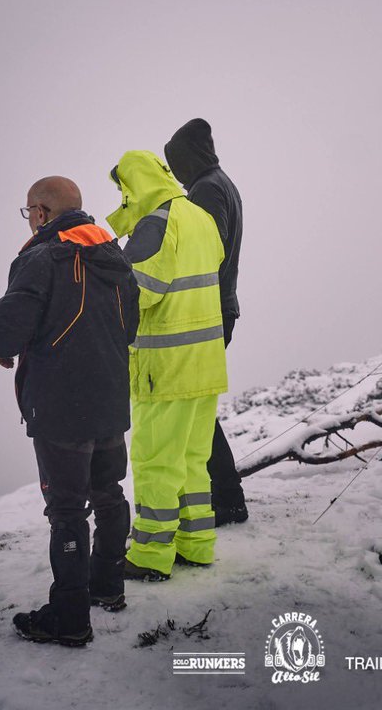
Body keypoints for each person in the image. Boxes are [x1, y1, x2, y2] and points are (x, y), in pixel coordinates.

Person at [0, 176, 139, 646]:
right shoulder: (114, 256)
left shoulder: (40, 258)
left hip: (60, 409)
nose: (29, 218)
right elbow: (128, 326)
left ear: (44, 212)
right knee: (108, 492)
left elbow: (8, 329)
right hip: (110, 399)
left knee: (68, 512)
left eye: (30, 210)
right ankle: (108, 588)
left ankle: (69, 620)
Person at [106, 150, 227, 581]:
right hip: (206, 362)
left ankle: (150, 555)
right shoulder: (199, 217)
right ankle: (196, 545)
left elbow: (140, 294)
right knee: (194, 459)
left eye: (122, 189)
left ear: (134, 185)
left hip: (166, 365)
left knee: (156, 460)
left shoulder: (156, 222)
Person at [164, 118, 248, 526]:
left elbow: (202, 250)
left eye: (175, 164)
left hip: (206, 312)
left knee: (195, 413)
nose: (176, 176)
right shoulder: (219, 183)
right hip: (218, 309)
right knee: (199, 412)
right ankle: (224, 498)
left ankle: (226, 500)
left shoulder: (207, 189)